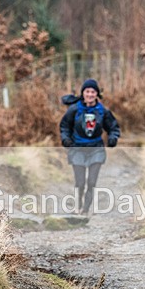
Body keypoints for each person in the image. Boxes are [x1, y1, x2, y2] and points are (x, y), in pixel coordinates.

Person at [60, 78, 120, 216]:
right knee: (80, 182)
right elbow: (64, 126)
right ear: (83, 93)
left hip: (96, 149)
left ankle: (85, 209)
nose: (90, 94)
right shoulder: (74, 110)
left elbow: (113, 127)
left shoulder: (102, 111)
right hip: (77, 149)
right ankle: (77, 206)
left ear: (97, 94)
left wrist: (112, 138)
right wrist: (66, 139)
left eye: (93, 92)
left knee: (91, 182)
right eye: (87, 91)